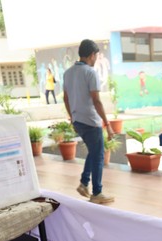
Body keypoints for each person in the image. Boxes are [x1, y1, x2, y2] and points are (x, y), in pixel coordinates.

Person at [63, 39, 116, 205]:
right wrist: (107, 124)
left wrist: (72, 116)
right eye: (96, 56)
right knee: (98, 155)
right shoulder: (90, 73)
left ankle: (84, 183)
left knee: (93, 151)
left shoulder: (68, 73)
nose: (96, 59)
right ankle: (97, 192)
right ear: (92, 55)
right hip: (91, 121)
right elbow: (96, 100)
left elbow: (65, 97)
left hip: (78, 119)